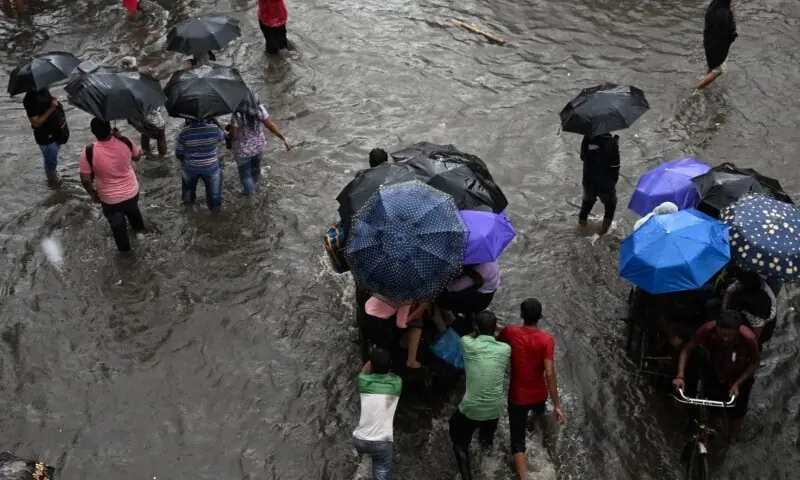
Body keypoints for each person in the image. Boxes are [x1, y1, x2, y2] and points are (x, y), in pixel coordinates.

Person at [497, 299, 565, 479]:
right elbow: (549, 372)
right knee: (538, 417)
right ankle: (542, 443)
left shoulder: (510, 332)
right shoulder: (547, 340)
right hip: (539, 394)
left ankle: (524, 476)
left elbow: (496, 344)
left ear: (521, 315)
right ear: (540, 317)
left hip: (518, 396)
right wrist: (557, 405)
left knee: (517, 442)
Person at [672, 309, 759, 440]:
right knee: (709, 400)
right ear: (716, 327)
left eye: (730, 336)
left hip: (739, 375)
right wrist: (680, 375)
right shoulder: (707, 329)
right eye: (722, 333)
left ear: (737, 332)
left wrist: (737, 384)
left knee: (737, 411)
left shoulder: (749, 339)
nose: (725, 338)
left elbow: (754, 362)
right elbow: (688, 349)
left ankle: (733, 438)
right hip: (717, 369)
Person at [449, 311, 510, 480]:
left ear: (476, 327)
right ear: (495, 328)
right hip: (496, 408)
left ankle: (467, 476)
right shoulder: (505, 349)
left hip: (472, 407)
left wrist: (475, 331)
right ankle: (489, 465)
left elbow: (467, 337)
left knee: (458, 438)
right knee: (485, 441)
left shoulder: (467, 343)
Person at [79, 119, 145, 252]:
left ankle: (127, 257)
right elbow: (137, 156)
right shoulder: (125, 142)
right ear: (110, 129)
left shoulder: (88, 151)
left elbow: (85, 180)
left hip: (110, 200)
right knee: (133, 211)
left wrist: (92, 193)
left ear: (93, 132)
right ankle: (141, 234)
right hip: (132, 193)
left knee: (118, 227)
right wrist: (120, 137)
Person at [352, 347, 402, 480]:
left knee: (367, 451)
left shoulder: (363, 381)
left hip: (359, 440)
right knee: (381, 470)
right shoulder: (396, 383)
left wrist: (371, 361)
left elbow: (365, 369)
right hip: (382, 443)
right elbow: (391, 376)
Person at [228, 102, 291, 195]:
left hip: (243, 150)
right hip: (259, 147)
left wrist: (228, 137)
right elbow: (270, 125)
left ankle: (250, 196)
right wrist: (283, 138)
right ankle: (257, 189)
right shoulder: (259, 108)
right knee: (256, 168)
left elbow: (235, 135)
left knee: (246, 175)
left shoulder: (237, 113)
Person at [175, 118, 227, 212]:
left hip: (190, 168)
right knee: (215, 196)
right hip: (211, 167)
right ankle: (215, 216)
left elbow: (179, 154)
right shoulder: (214, 129)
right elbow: (223, 137)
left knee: (188, 194)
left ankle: (188, 212)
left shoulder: (183, 133)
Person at [120, 57, 168, 155]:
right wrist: (152, 78)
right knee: (161, 136)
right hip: (150, 119)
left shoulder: (122, 82)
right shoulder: (143, 79)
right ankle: (163, 159)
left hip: (135, 119)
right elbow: (156, 93)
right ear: (134, 67)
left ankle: (146, 152)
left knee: (144, 133)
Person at [365, 296, 429, 370]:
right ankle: (411, 359)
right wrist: (418, 310)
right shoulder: (407, 299)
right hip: (379, 325)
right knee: (417, 322)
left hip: (368, 311)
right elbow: (401, 324)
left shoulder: (392, 287)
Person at [578, 133, 620, 235]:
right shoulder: (612, 143)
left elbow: (583, 156)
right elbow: (615, 166)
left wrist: (595, 152)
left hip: (589, 180)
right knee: (610, 205)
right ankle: (602, 233)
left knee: (586, 204)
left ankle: (582, 228)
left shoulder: (587, 138)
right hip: (605, 183)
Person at [23, 88, 67, 186]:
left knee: (51, 160)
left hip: (55, 132)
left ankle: (52, 179)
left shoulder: (43, 89)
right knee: (51, 163)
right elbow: (36, 123)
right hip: (45, 138)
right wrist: (51, 108)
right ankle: (53, 184)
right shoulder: (29, 99)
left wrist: (53, 101)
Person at [723, 270, 776, 343]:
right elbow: (729, 291)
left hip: (763, 324)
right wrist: (724, 308)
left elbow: (755, 336)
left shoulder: (756, 308)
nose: (738, 283)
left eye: (740, 282)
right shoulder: (750, 280)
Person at [703, 0, 737, 74]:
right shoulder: (724, 13)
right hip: (718, 46)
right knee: (717, 70)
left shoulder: (712, 6)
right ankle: (697, 85)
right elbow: (727, 33)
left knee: (713, 66)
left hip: (709, 40)